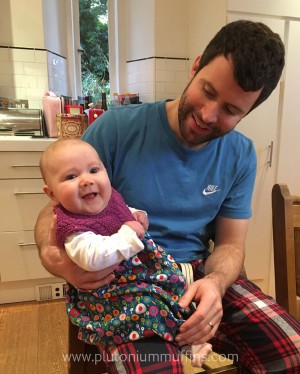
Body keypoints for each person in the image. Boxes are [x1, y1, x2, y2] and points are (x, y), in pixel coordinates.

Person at [35, 20, 300, 373]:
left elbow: (231, 246)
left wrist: (216, 284)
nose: (208, 115)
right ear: (195, 67)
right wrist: (53, 256)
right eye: (207, 91)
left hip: (196, 275)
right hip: (125, 284)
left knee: (292, 351)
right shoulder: (116, 129)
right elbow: (52, 212)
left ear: (248, 112)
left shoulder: (240, 155)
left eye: (231, 110)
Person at [39, 138, 212, 368]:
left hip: (143, 274)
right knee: (148, 307)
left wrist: (136, 215)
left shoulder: (108, 199)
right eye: (71, 177)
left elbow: (122, 212)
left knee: (173, 291)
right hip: (112, 294)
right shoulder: (72, 227)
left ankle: (189, 337)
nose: (86, 180)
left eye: (93, 170)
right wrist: (129, 235)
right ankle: (182, 340)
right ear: (51, 194)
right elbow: (92, 258)